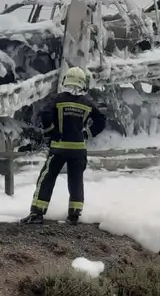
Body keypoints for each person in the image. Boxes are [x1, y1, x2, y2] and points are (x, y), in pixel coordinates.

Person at [20, 66, 106, 225]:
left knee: (47, 178)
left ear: (66, 81)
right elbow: (101, 120)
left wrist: (51, 131)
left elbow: (45, 115)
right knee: (76, 180)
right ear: (82, 83)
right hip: (78, 149)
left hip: (59, 147)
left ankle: (37, 213)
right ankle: (74, 215)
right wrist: (87, 134)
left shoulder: (58, 99)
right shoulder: (87, 103)